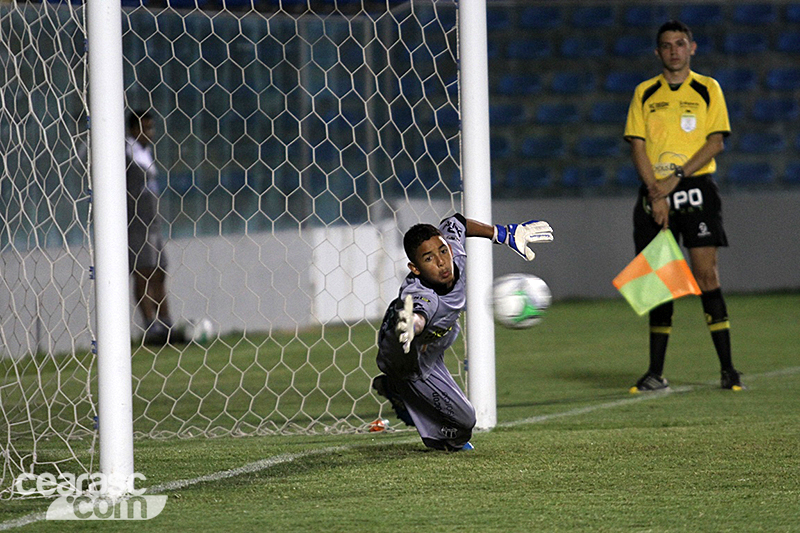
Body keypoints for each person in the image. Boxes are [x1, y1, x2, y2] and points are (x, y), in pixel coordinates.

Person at [623, 20, 743, 392]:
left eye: (680, 43)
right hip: (654, 190)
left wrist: (673, 181)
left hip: (695, 188)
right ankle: (655, 373)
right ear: (657, 52)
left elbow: (715, 142)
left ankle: (728, 369)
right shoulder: (645, 92)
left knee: (706, 275)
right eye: (666, 45)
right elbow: (638, 146)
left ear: (692, 48)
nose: (673, 50)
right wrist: (656, 193)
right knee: (659, 283)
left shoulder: (708, 89)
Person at [372, 214, 553, 451]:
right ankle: (399, 390)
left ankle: (404, 394)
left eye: (442, 251)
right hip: (406, 353)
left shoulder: (454, 254)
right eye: (429, 258)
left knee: (458, 422)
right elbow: (418, 314)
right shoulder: (421, 296)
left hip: (431, 348)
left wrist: (502, 233)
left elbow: (456, 222)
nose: (441, 262)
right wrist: (410, 325)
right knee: (463, 425)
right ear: (414, 269)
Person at [125, 109, 184, 345]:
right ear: (132, 129)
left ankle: (166, 324)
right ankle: (150, 327)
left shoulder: (144, 152)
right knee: (143, 271)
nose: (149, 133)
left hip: (153, 222)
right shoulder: (125, 151)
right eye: (144, 127)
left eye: (151, 128)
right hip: (136, 222)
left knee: (159, 271)